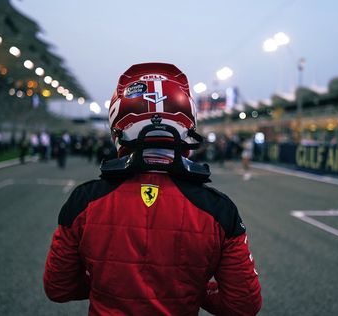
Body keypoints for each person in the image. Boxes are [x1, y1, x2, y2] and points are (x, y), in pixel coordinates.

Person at [43, 63, 262, 315]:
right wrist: (196, 291)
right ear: (188, 125)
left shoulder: (84, 200)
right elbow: (244, 303)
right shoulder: (218, 209)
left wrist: (106, 285)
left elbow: (58, 287)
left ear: (118, 125)